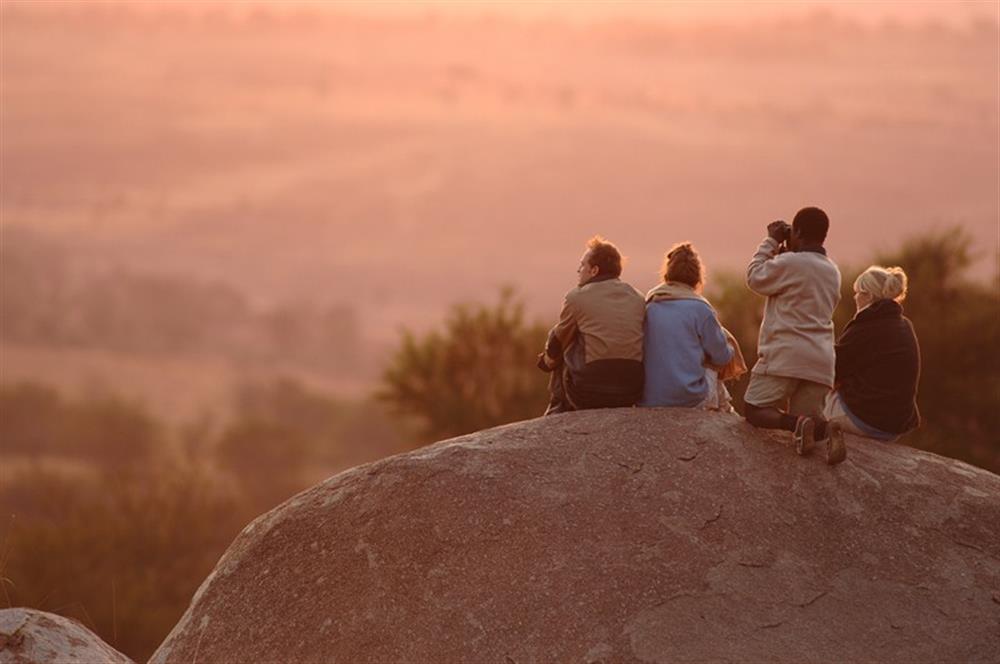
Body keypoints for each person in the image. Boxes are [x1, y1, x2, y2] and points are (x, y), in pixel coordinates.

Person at [743, 206, 845, 464]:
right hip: (820, 361)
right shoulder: (833, 271)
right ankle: (824, 429)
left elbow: (755, 277)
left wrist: (771, 241)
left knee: (755, 409)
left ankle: (797, 422)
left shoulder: (789, 263)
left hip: (784, 356)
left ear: (796, 232)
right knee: (809, 425)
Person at [538, 236, 645, 414]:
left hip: (587, 394)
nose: (578, 271)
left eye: (582, 266)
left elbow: (558, 343)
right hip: (632, 392)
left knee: (562, 336)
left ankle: (555, 411)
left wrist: (546, 361)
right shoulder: (638, 298)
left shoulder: (576, 297)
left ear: (594, 270)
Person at [640, 243, 746, 411]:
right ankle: (728, 420)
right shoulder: (701, 309)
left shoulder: (650, 305)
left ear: (667, 275)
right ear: (697, 279)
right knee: (712, 370)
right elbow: (722, 357)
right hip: (688, 399)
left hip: (649, 398)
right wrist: (730, 347)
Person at [823, 266, 920, 441]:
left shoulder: (866, 324)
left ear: (868, 296)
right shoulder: (904, 325)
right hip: (894, 427)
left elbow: (832, 368)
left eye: (858, 292)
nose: (855, 297)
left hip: (866, 420)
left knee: (816, 394)